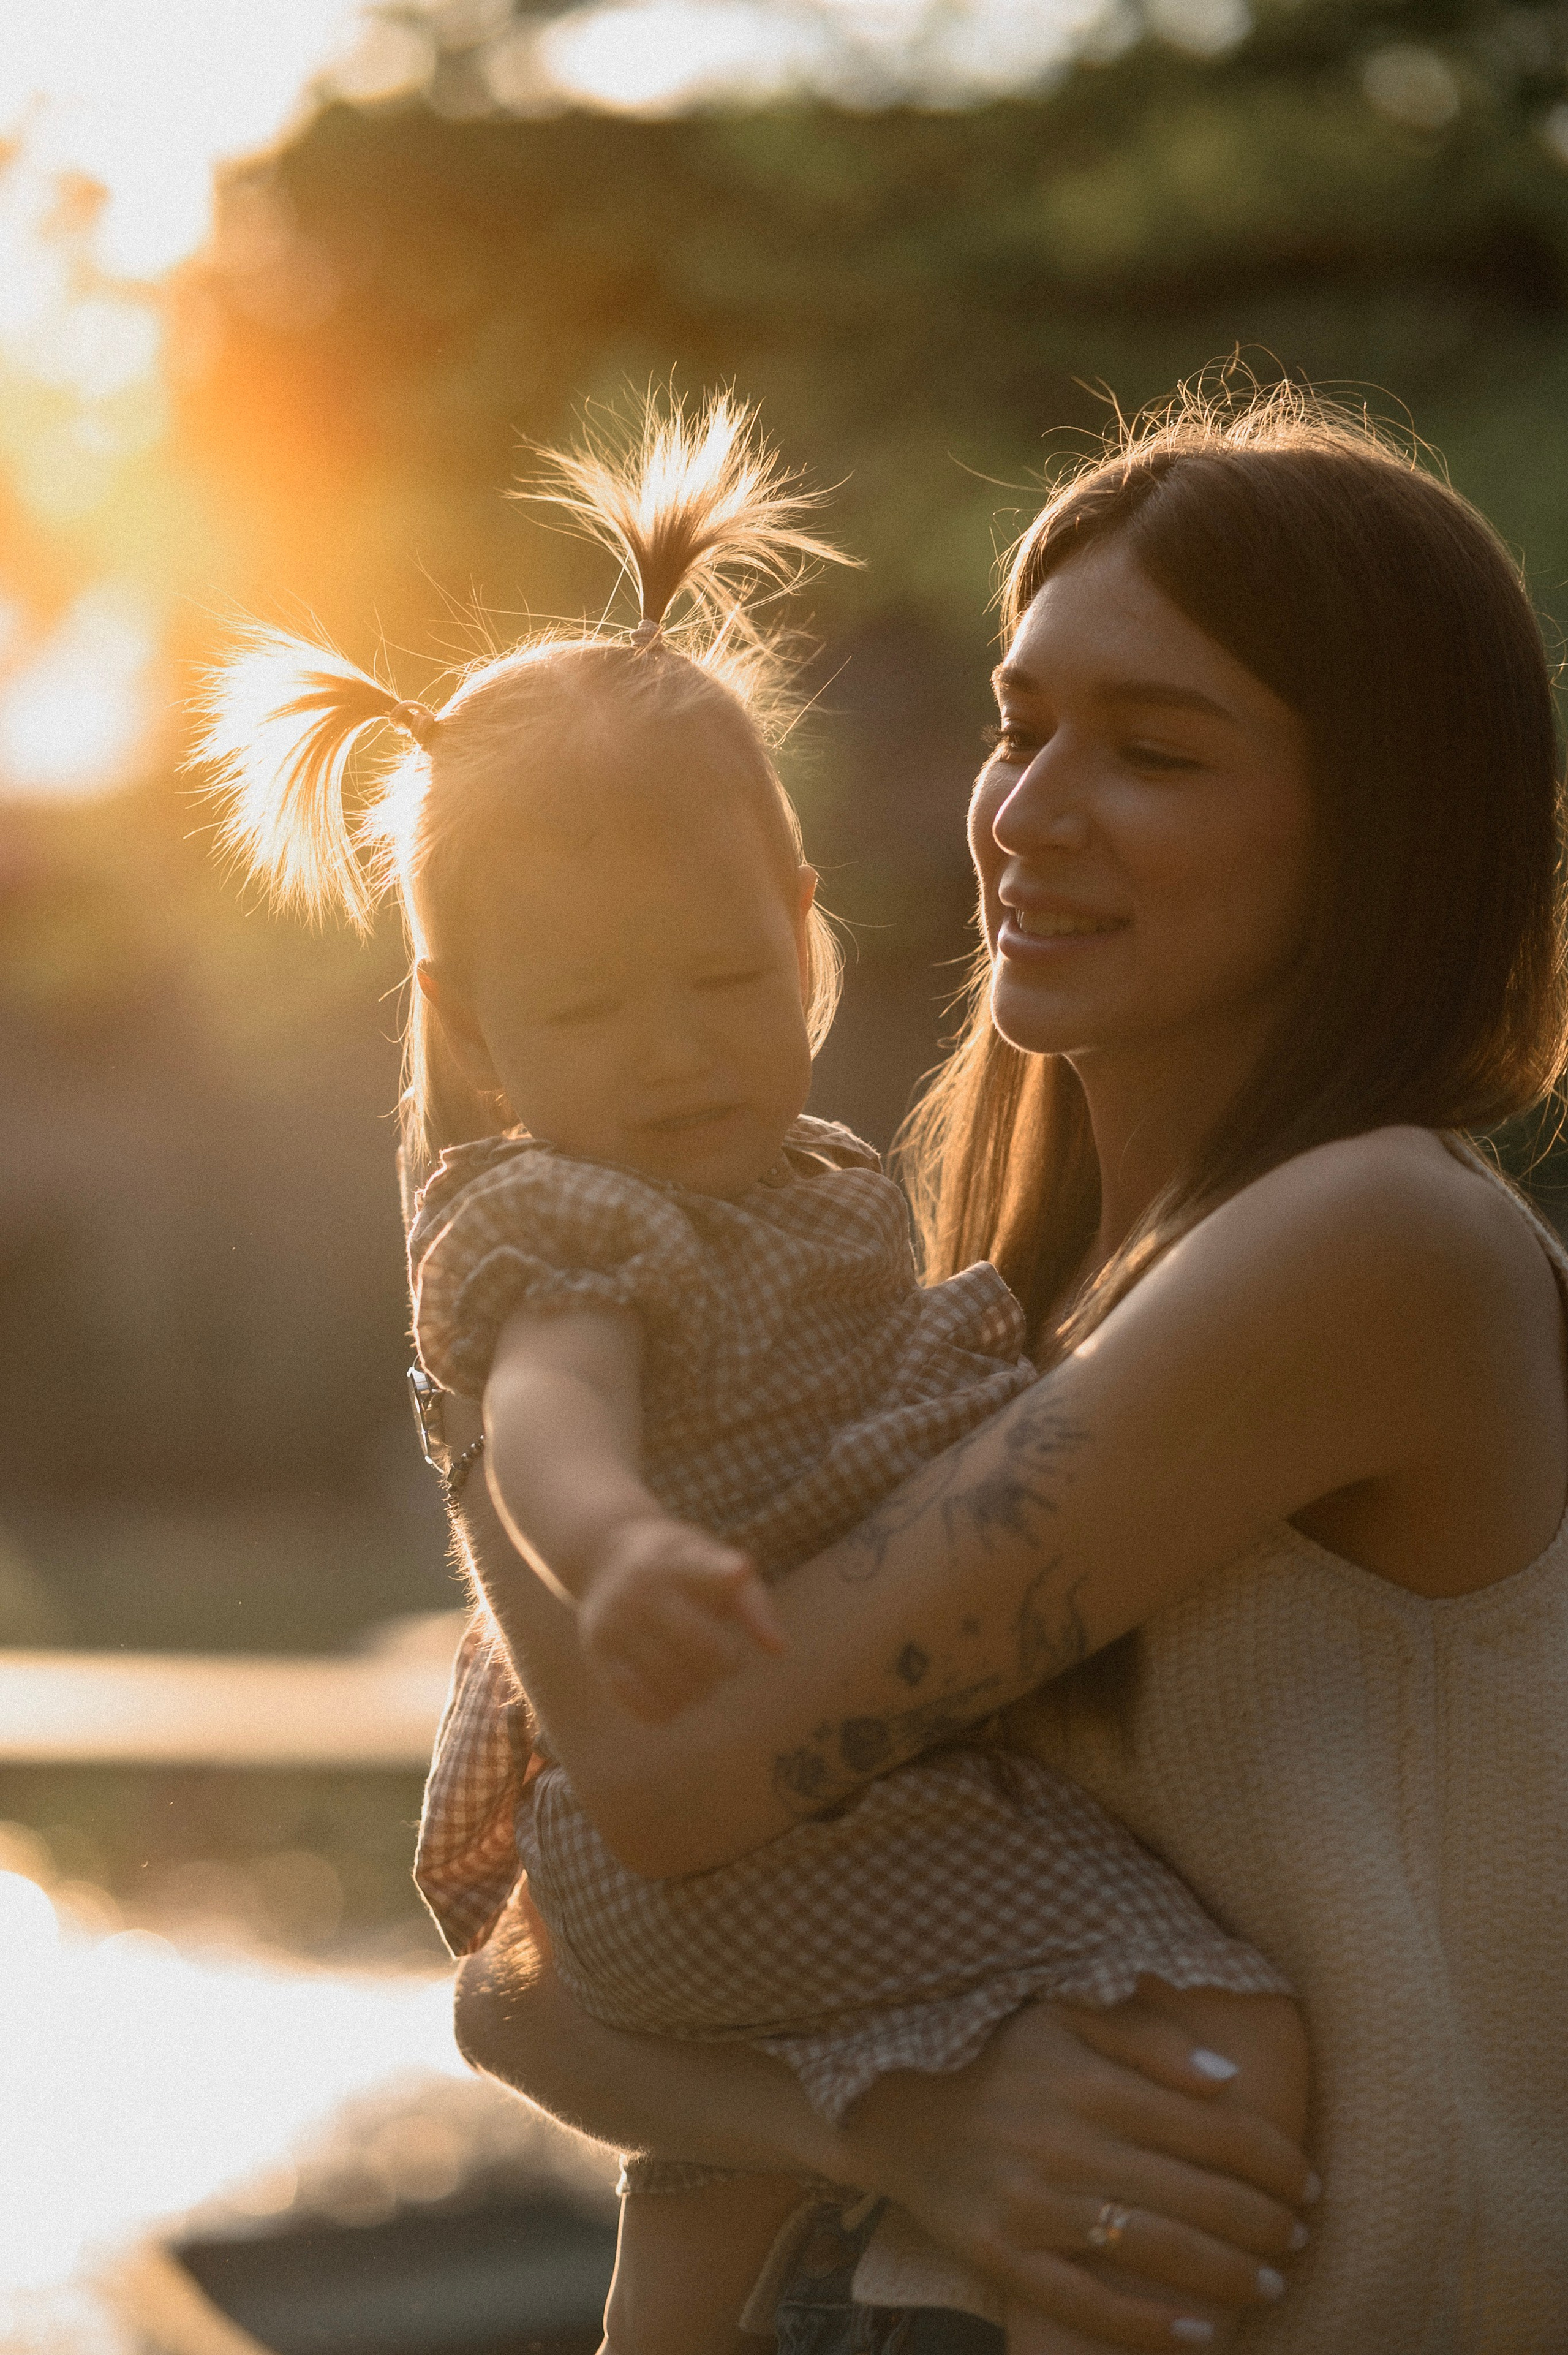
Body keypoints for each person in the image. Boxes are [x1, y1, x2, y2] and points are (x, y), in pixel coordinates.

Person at [444, 380, 1568, 2354]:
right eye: (1020, 722)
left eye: (1153, 750)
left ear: (1383, 816)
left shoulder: (1373, 1241)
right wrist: (906, 2124)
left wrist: (474, 1262)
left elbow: (673, 1792)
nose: (1029, 814)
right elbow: (532, 1972)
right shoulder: (975, 1303)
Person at [197, 394, 1304, 2355]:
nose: (676, 1050)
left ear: (806, 942)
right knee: (1206, 2022)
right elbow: (548, 1410)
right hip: (735, 1808)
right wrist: (612, 1546)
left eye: (717, 978)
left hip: (702, 1864)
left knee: (707, 2188)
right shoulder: (564, 1223)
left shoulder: (818, 1185)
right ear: (472, 1028)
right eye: (590, 1007)